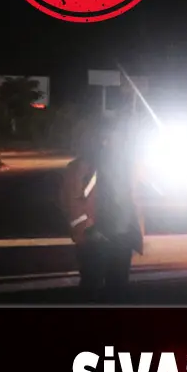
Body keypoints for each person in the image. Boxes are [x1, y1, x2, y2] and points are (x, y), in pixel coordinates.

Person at [61, 115, 144, 302]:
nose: (119, 140)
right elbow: (71, 202)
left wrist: (137, 232)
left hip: (122, 239)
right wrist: (86, 229)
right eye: (115, 135)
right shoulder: (82, 167)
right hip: (95, 240)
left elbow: (133, 199)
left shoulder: (127, 166)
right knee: (92, 288)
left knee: (119, 288)